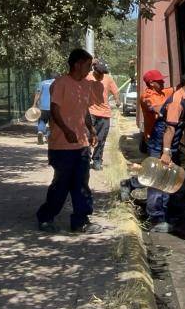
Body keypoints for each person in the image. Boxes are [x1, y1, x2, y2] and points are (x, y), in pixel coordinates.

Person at [36, 49, 102, 234]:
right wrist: (66, 130)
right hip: (62, 145)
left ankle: (80, 222)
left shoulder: (85, 85)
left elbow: (84, 112)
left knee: (81, 184)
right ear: (77, 64)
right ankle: (45, 218)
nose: (90, 70)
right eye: (88, 65)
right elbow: (55, 110)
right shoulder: (60, 84)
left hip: (81, 144)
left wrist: (91, 129)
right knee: (61, 184)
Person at [145, 72, 185, 233]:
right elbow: (169, 128)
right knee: (158, 180)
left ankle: (163, 214)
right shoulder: (177, 100)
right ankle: (155, 219)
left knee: (167, 180)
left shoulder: (183, 98)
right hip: (161, 144)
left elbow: (177, 122)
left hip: (167, 144)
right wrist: (166, 152)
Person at [87, 60, 121, 170]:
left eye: (103, 73)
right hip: (90, 112)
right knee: (87, 137)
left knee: (101, 138)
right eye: (99, 73)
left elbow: (115, 91)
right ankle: (85, 159)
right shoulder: (87, 77)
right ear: (94, 70)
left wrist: (117, 100)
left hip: (104, 113)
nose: (101, 75)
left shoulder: (108, 78)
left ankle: (97, 160)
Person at [139, 69, 174, 154]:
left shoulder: (163, 92)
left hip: (163, 134)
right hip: (154, 137)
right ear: (151, 83)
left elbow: (178, 89)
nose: (163, 81)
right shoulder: (146, 96)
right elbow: (157, 109)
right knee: (156, 161)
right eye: (160, 81)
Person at [32, 74, 58, 144]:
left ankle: (40, 131)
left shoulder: (43, 83)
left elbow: (38, 94)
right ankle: (48, 136)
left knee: (42, 120)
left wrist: (34, 104)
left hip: (43, 107)